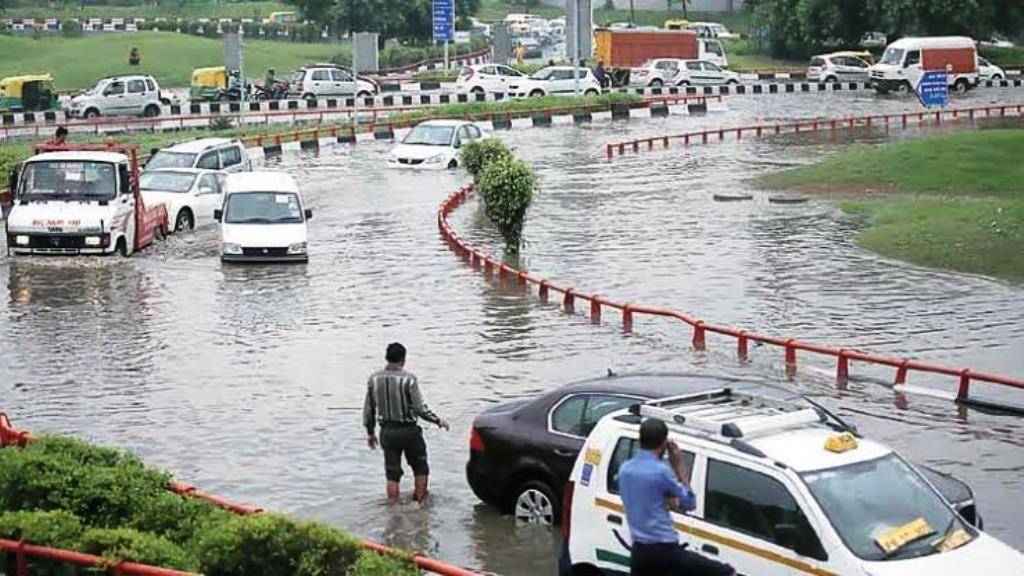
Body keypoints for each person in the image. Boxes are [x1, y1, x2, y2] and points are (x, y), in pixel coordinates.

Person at [619, 419, 735, 576]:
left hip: (639, 552)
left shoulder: (625, 469)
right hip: (665, 552)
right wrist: (679, 465)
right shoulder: (661, 472)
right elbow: (689, 503)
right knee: (725, 572)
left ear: (640, 440)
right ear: (664, 442)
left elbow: (648, 497)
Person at [363, 343, 449, 503]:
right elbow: (419, 408)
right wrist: (437, 420)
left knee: (392, 473)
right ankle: (420, 505)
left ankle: (393, 510)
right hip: (409, 431)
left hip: (387, 432)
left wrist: (370, 433)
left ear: (386, 358)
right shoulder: (409, 380)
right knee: (420, 467)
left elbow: (369, 410)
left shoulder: (374, 379)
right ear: (403, 359)